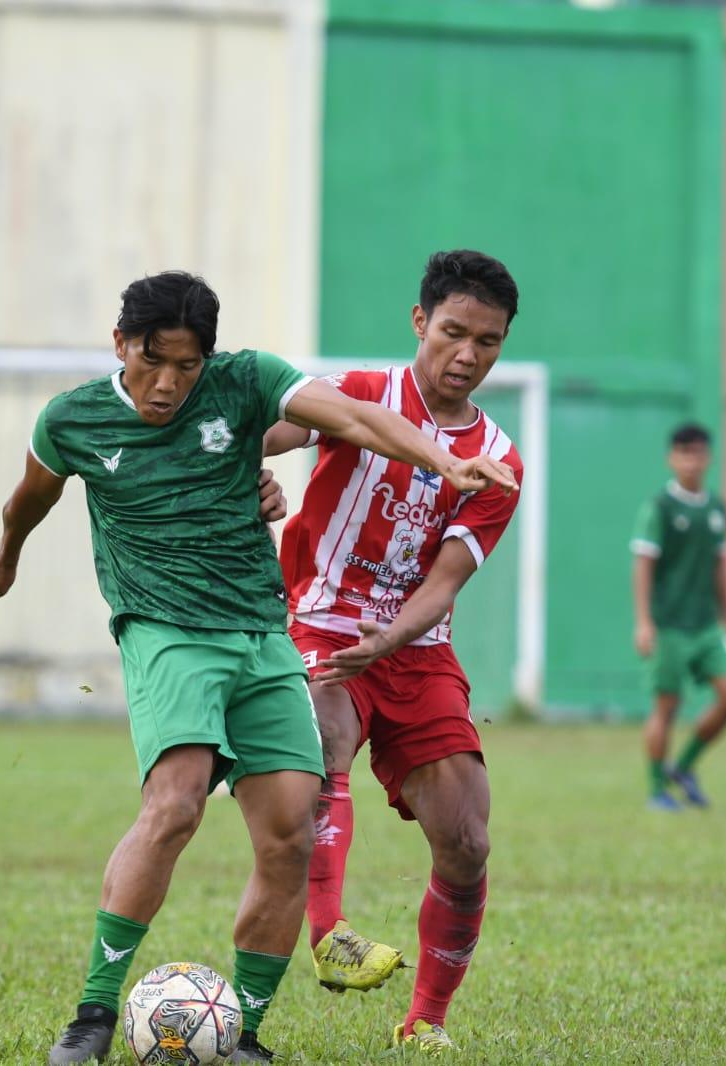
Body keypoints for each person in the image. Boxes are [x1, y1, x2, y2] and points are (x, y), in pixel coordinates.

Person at [0, 270, 515, 1064]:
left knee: (291, 830)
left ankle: (247, 1034)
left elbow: (358, 419)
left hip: (260, 633)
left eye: (188, 366)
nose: (169, 383)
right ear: (121, 344)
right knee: (178, 801)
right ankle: (91, 1014)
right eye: (153, 361)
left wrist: (440, 459)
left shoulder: (245, 381)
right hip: (166, 629)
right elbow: (29, 499)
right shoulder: (74, 419)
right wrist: (6, 556)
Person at [263, 250, 523, 1055]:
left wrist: (390, 638)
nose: (468, 356)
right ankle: (329, 932)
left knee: (469, 840)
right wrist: (252, 472)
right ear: (420, 322)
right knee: (323, 745)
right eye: (453, 332)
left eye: (488, 341)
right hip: (318, 623)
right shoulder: (360, 394)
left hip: (415, 648)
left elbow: (443, 586)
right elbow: (267, 432)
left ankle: (426, 1022)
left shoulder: (500, 461)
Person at [630, 422, 726, 812]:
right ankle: (657, 788)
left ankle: (685, 766)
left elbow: (719, 568)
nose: (691, 462)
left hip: (706, 624)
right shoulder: (659, 507)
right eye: (684, 454)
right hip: (669, 624)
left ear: (708, 457)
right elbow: (643, 564)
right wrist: (644, 621)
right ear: (671, 459)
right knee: (667, 706)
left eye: (698, 454)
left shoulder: (716, 508)